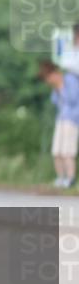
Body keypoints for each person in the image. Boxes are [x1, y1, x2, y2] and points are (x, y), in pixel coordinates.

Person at [38, 60, 79, 188]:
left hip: (72, 119)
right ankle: (61, 178)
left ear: (53, 74)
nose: (48, 82)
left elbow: (74, 100)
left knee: (68, 151)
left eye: (48, 78)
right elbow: (55, 102)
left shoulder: (70, 80)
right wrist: (57, 89)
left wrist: (61, 86)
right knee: (57, 151)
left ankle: (70, 179)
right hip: (60, 119)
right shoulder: (56, 88)